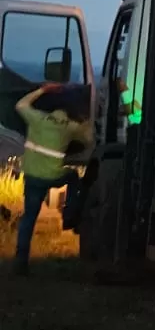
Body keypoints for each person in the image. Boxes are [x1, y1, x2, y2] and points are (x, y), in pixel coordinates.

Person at [12, 83, 94, 277]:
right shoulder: (70, 127)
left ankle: (21, 263)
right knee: (73, 176)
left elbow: (20, 105)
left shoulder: (37, 118)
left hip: (33, 177)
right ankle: (69, 214)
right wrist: (85, 119)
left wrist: (42, 90)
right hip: (54, 176)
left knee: (29, 219)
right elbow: (89, 139)